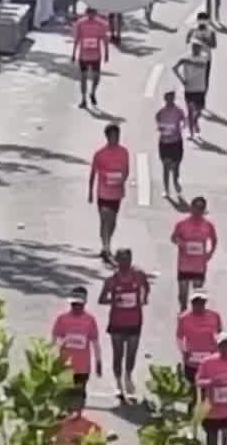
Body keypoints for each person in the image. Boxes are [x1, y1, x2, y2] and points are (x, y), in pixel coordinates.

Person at [98, 247, 151, 402]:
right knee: (118, 354)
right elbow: (101, 299)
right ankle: (118, 383)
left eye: (127, 259)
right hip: (117, 322)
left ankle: (128, 376)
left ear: (131, 260)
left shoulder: (138, 275)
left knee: (131, 353)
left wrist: (144, 298)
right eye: (121, 260)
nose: (125, 263)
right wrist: (115, 300)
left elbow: (146, 286)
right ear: (116, 261)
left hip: (135, 321)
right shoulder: (111, 281)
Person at [88, 125, 131, 258]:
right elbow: (93, 173)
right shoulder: (100, 154)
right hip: (103, 193)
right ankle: (106, 248)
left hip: (116, 194)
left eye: (117, 136)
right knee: (105, 218)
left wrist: (121, 179)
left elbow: (126, 170)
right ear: (107, 137)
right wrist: (90, 191)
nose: (115, 138)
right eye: (112, 136)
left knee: (111, 222)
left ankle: (106, 244)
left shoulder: (124, 152)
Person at [52, 285, 103, 394]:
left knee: (79, 396)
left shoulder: (90, 320)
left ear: (85, 303)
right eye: (74, 304)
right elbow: (54, 341)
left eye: (79, 304)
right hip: (65, 367)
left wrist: (98, 362)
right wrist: (52, 362)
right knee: (65, 398)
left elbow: (95, 343)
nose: (76, 306)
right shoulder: (62, 319)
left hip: (83, 369)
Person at [170, 197, 218, 310]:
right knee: (183, 295)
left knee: (197, 296)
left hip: (199, 266)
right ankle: (183, 311)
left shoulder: (208, 226)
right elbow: (173, 238)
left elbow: (214, 240)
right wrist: (181, 244)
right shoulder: (182, 224)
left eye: (201, 208)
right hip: (184, 265)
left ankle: (194, 316)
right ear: (191, 208)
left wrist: (210, 253)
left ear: (204, 210)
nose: (197, 211)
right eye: (196, 208)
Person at [176, 290, 222, 383]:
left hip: (210, 357)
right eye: (195, 302)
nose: (199, 304)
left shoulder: (214, 316)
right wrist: (184, 351)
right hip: (191, 358)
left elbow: (220, 334)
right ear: (192, 303)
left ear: (205, 302)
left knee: (210, 385)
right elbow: (179, 337)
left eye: (201, 302)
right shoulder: (184, 318)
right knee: (192, 384)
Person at [72, 8, 113, 108]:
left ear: (95, 14)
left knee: (96, 77)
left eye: (92, 14)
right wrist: (73, 54)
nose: (90, 16)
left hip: (96, 55)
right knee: (83, 78)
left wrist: (106, 54)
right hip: (83, 55)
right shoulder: (80, 23)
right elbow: (76, 39)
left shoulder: (101, 24)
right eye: (89, 14)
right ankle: (83, 99)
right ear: (86, 13)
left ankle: (93, 92)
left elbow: (105, 39)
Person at [174, 43, 212, 142]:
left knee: (200, 109)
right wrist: (182, 80)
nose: (196, 49)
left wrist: (187, 61)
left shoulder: (204, 57)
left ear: (200, 48)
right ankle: (191, 134)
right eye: (194, 47)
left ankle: (195, 121)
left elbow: (201, 65)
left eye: (198, 47)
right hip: (189, 89)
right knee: (190, 111)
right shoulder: (185, 57)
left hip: (200, 88)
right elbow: (174, 68)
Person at [155, 91, 189, 197]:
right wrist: (161, 128)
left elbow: (184, 122)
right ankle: (166, 189)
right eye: (168, 98)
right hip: (164, 143)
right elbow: (158, 122)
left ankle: (175, 181)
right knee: (165, 166)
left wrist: (180, 128)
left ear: (174, 99)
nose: (170, 100)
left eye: (172, 98)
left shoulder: (179, 111)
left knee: (175, 167)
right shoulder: (161, 112)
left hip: (176, 142)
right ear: (165, 99)